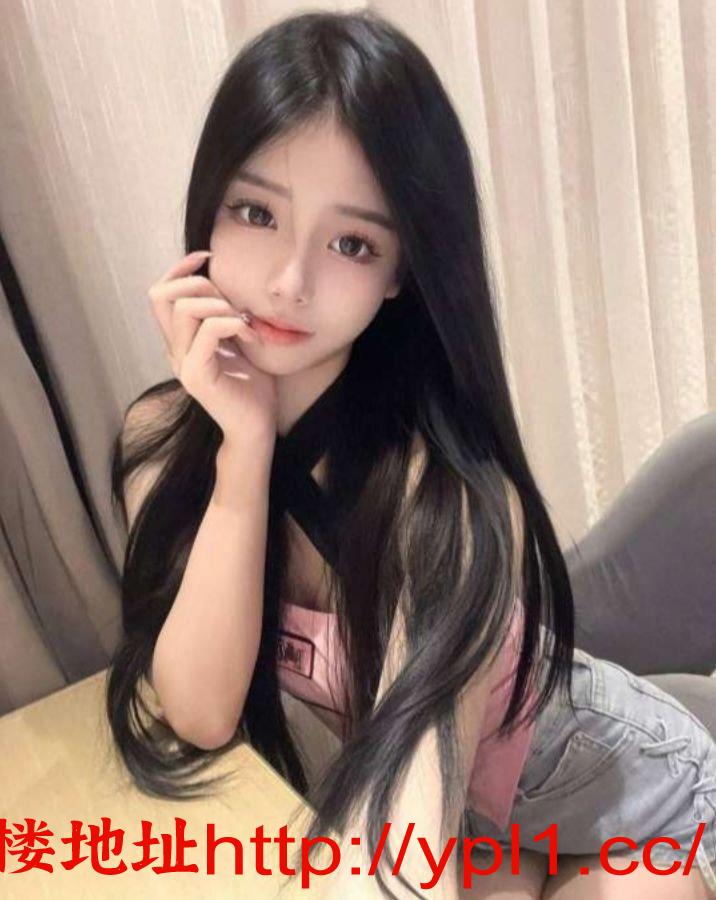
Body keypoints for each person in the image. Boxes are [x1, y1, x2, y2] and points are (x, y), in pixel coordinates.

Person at [106, 10, 716, 899]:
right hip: (483, 823)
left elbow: (397, 856)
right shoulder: (161, 438)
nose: (290, 280)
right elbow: (199, 714)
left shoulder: (443, 502)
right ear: (208, 209)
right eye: (256, 212)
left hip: (643, 804)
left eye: (351, 242)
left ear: (399, 270)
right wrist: (243, 455)